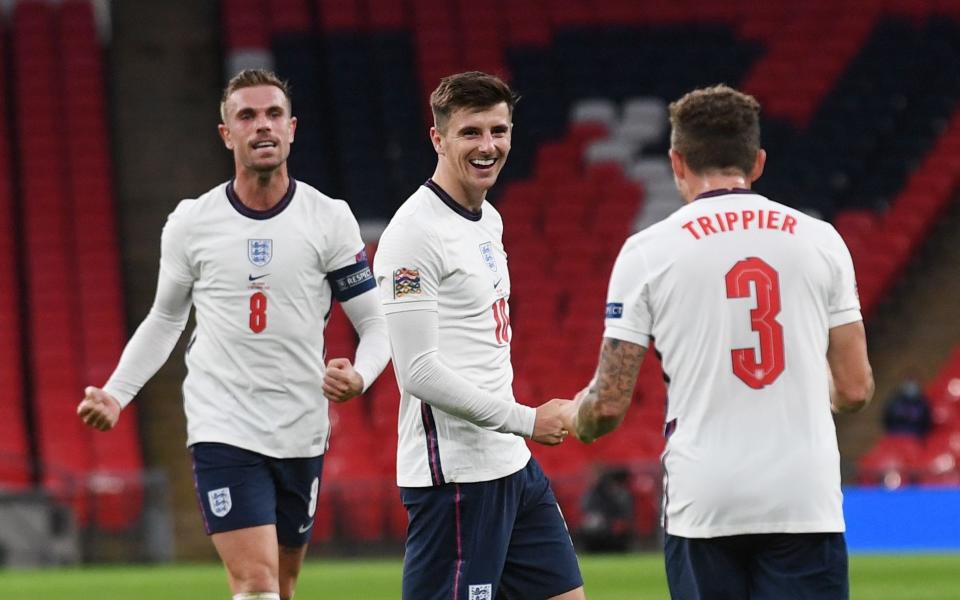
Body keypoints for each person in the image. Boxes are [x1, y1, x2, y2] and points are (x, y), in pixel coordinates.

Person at [76, 69, 390, 600]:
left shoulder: (329, 219)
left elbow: (375, 322)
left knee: (282, 584)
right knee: (257, 581)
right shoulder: (191, 223)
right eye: (246, 116)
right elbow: (165, 319)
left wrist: (361, 374)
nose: (261, 126)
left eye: (272, 115)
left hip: (301, 425)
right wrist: (116, 392)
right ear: (226, 133)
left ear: (292, 129)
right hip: (223, 422)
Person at [561, 84, 874, 599]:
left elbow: (610, 402)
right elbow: (856, 388)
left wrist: (578, 417)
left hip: (705, 501)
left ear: (676, 161)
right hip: (803, 497)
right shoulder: (822, 240)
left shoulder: (647, 252)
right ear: (758, 161)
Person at [373, 71, 585, 600]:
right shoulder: (413, 234)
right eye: (471, 132)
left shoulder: (487, 219)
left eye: (499, 130)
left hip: (511, 466)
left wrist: (517, 434)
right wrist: (527, 420)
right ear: (438, 139)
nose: (488, 146)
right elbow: (417, 371)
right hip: (457, 481)